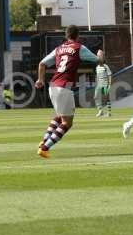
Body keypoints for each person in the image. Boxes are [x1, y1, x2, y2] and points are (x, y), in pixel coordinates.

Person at [35, 25, 104, 158]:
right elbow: (100, 62)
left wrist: (40, 80)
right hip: (64, 87)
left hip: (52, 85)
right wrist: (101, 55)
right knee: (67, 122)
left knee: (59, 116)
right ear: (78, 36)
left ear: (66, 36)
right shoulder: (79, 47)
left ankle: (44, 141)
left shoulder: (58, 49)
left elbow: (42, 64)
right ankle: (44, 148)